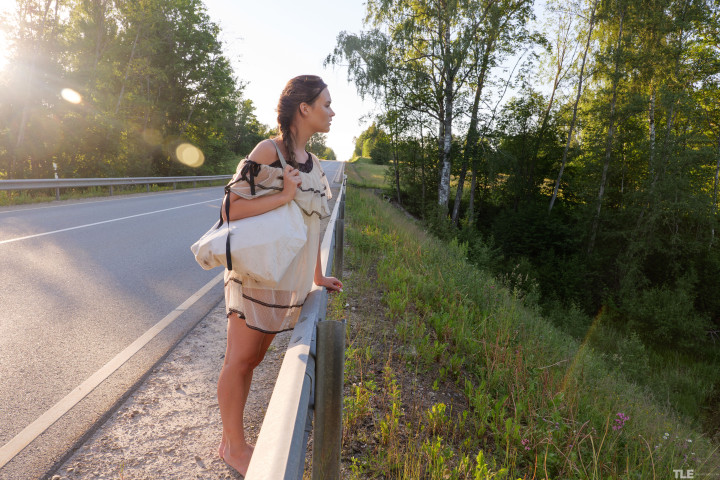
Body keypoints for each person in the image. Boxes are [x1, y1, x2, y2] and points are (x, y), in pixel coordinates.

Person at [216, 75, 343, 475]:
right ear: (304, 108)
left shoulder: (314, 164)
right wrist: (286, 195)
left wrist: (317, 276)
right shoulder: (268, 152)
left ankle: (232, 441)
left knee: (253, 360)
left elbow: (313, 228)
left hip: (286, 282)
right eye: (326, 104)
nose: (332, 112)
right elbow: (230, 210)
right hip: (256, 275)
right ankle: (233, 447)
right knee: (239, 360)